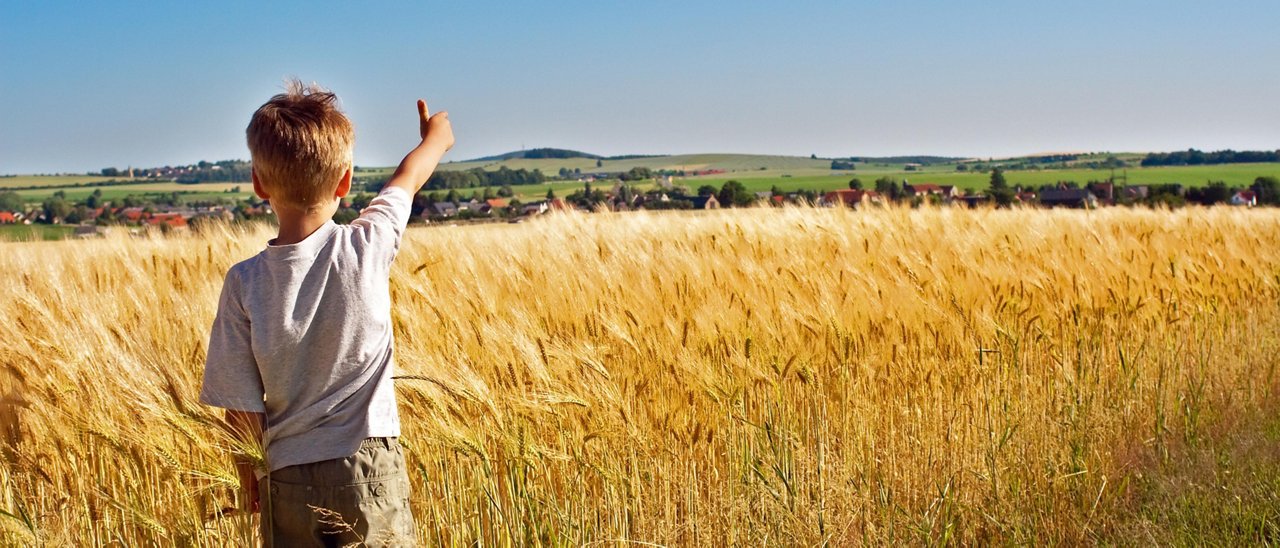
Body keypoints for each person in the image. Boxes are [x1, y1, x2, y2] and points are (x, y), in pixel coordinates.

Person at [199, 79, 454, 546]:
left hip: (285, 473)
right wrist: (435, 138)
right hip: (367, 465)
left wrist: (249, 474)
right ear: (345, 181)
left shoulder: (243, 282)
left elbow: (240, 404)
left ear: (258, 183)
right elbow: (407, 180)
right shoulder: (367, 245)